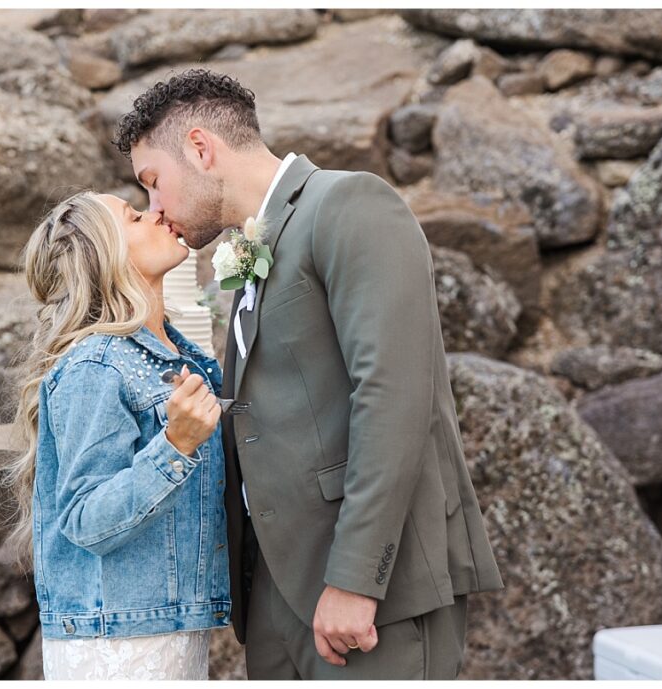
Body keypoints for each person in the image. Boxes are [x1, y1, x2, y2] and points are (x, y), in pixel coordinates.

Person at [113, 69, 506, 680]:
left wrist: (354, 580)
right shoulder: (250, 248)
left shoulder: (350, 205)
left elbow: (394, 396)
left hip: (372, 592)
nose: (154, 206)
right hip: (276, 594)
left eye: (153, 182)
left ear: (200, 148)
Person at [0, 191, 231, 680]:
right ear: (107, 253)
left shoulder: (176, 358)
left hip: (166, 630)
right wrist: (175, 447)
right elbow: (85, 518)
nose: (156, 213)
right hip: (119, 648)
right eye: (133, 215)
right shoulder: (96, 365)